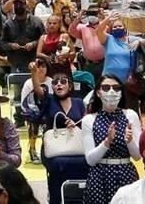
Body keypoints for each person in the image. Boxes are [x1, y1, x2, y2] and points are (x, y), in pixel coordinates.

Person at [80, 74, 142, 204]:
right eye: (106, 88)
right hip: (99, 175)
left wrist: (130, 141)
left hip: (126, 172)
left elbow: (137, 156)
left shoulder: (131, 115)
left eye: (116, 88)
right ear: (98, 92)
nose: (112, 92)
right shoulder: (89, 119)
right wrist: (107, 142)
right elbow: (90, 160)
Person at [31, 69, 88, 204]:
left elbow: (86, 123)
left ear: (70, 86)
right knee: (57, 168)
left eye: (63, 82)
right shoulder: (49, 100)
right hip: (54, 151)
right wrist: (33, 73)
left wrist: (76, 125)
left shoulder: (79, 102)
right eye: (55, 83)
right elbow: (38, 90)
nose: (59, 85)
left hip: (76, 148)